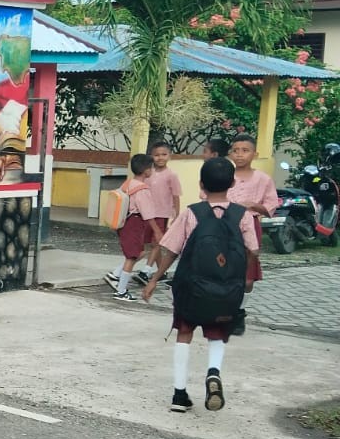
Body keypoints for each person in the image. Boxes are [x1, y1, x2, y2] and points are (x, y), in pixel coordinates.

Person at [142, 157, 259, 413]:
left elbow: (170, 250)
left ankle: (179, 394)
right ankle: (213, 372)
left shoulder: (192, 212)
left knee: (184, 335)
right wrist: (246, 279)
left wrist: (153, 280)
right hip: (227, 289)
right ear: (231, 184)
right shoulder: (243, 215)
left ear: (201, 185)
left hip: (191, 288)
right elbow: (253, 250)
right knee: (218, 333)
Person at [221, 133, 278, 285]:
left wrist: (252, 205)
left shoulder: (263, 179)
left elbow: (271, 206)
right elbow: (207, 196)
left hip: (250, 225)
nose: (239, 155)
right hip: (224, 224)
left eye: (245, 150)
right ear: (230, 153)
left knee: (247, 278)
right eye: (236, 150)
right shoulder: (223, 174)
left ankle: (240, 305)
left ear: (255, 154)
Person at [109, 154, 165, 301]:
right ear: (146, 170)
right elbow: (148, 214)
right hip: (134, 223)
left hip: (124, 222)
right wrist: (157, 231)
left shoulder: (127, 184)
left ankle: (115, 273)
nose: (152, 170)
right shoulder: (142, 190)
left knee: (138, 253)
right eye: (151, 167)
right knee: (132, 256)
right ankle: (121, 291)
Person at [136, 140, 182, 284]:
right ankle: (162, 272)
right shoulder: (148, 173)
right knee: (150, 244)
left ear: (170, 156)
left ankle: (146, 270)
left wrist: (176, 215)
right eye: (157, 155)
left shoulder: (171, 175)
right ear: (151, 156)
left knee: (157, 243)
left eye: (164, 154)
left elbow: (176, 195)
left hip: (162, 214)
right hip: (146, 213)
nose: (160, 158)